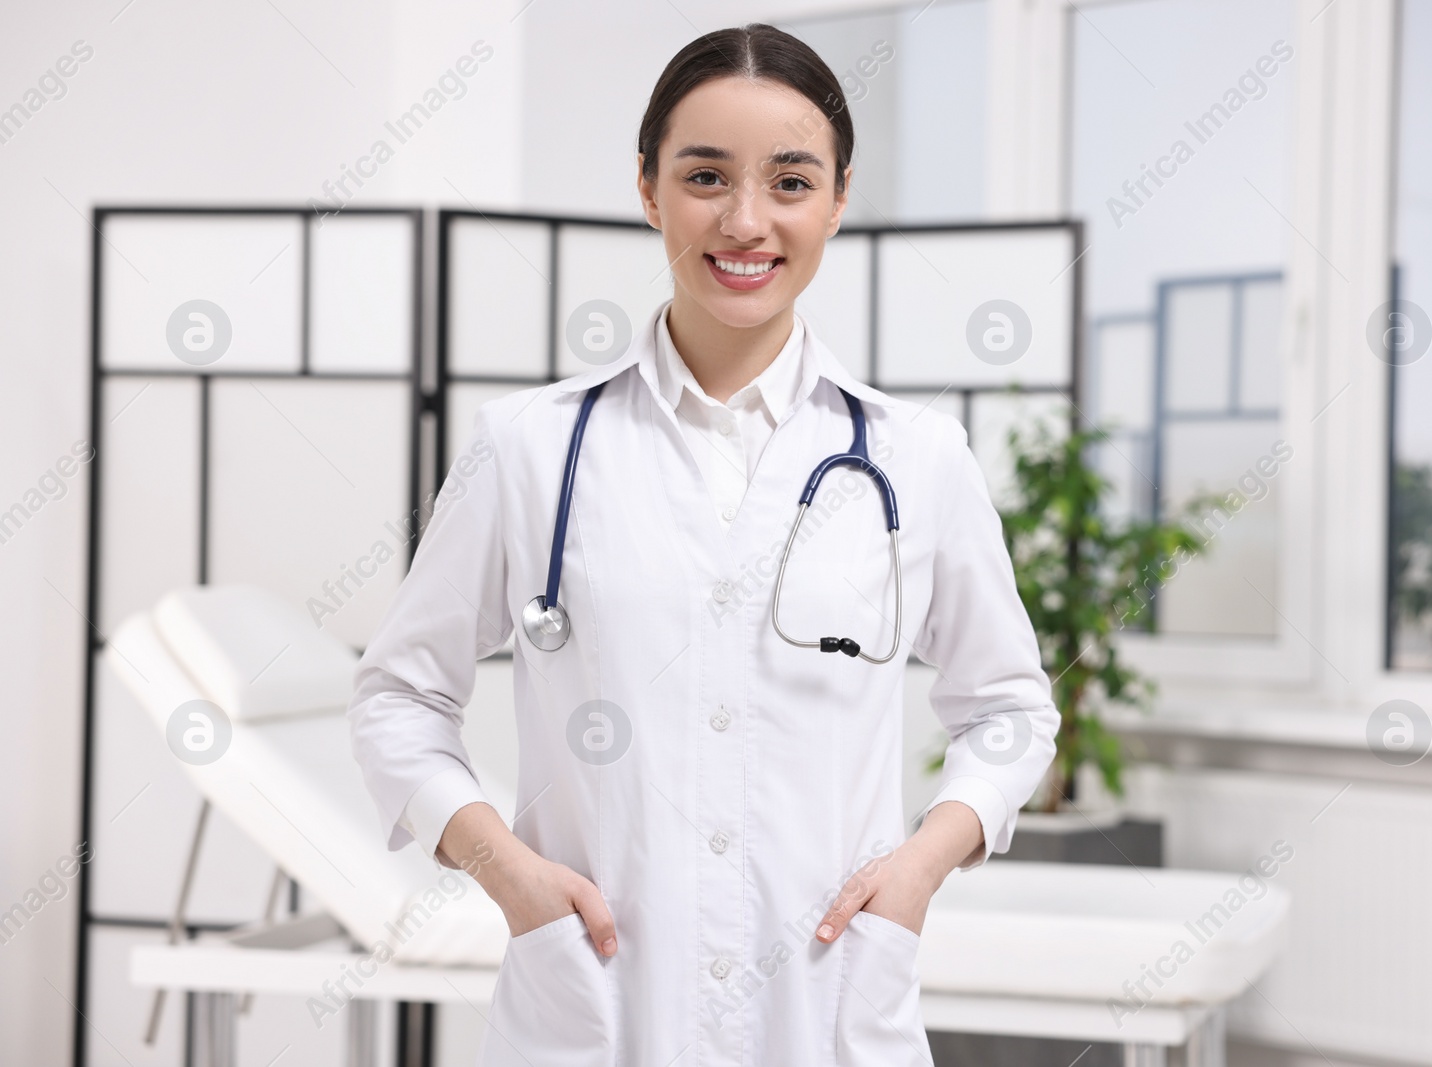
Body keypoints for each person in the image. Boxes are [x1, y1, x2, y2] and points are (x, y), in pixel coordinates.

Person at [347, 22, 1060, 1067]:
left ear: (838, 198)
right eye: (705, 176)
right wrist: (505, 868)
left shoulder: (920, 457)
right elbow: (398, 697)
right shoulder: (528, 448)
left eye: (789, 181)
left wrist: (918, 867)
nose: (745, 220)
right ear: (647, 189)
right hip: (597, 1006)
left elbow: (1010, 708)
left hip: (827, 1010)